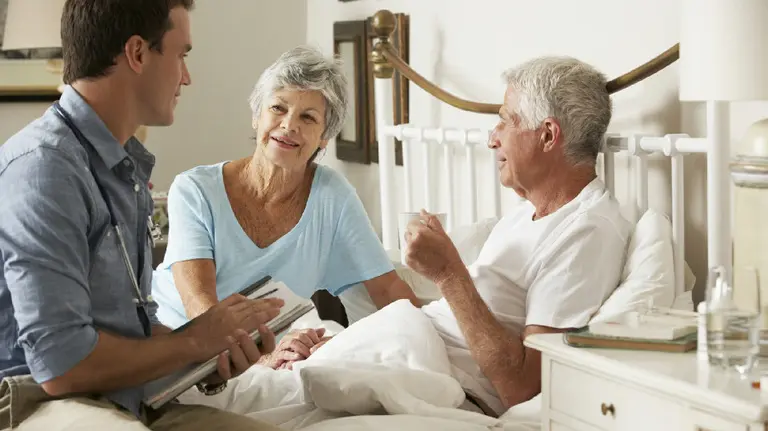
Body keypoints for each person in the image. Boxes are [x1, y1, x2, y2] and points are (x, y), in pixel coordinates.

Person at [0, 1, 284, 430]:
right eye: (181, 55)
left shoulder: (124, 169)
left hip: (122, 398)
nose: (186, 77)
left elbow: (135, 331)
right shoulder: (45, 169)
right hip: (35, 400)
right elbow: (61, 365)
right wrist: (194, 340)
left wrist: (213, 354)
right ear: (137, 53)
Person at [150, 46, 419, 367]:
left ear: (324, 137)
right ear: (256, 116)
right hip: (182, 351)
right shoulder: (194, 190)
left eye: (308, 117)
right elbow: (201, 311)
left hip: (269, 353)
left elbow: (388, 290)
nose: (289, 125)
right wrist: (264, 359)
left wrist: (434, 342)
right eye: (278, 108)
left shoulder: (333, 197)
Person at [400, 56, 633, 415]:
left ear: (548, 135)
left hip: (435, 383)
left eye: (506, 121)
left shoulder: (587, 232)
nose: (492, 139)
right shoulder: (525, 214)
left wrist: (448, 274)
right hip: (404, 350)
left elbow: (524, 389)